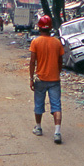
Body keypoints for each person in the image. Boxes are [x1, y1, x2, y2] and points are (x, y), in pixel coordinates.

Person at [28, 15, 65, 144]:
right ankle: (57, 132)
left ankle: (38, 127)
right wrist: (57, 71)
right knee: (56, 106)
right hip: (54, 79)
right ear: (50, 28)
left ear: (39, 27)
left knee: (39, 104)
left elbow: (33, 62)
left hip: (40, 79)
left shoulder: (35, 42)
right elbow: (61, 61)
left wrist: (31, 78)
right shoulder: (57, 42)